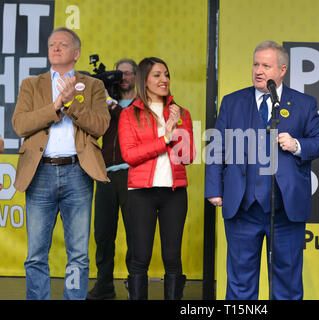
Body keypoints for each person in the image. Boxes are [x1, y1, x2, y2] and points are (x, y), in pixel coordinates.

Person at [205, 40, 319, 300]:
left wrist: (296, 144)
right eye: (255, 64)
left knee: (287, 284)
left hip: (285, 209)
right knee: (240, 284)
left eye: (266, 65)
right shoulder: (232, 102)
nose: (258, 70)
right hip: (242, 207)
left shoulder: (304, 103)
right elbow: (217, 147)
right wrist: (214, 189)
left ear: (282, 70)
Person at [11, 27, 110, 300]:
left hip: (78, 172)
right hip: (40, 172)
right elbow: (20, 125)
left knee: (78, 254)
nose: (55, 48)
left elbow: (100, 125)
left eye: (62, 44)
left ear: (76, 53)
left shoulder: (93, 86)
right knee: (35, 255)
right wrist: (55, 107)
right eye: (52, 44)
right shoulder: (31, 84)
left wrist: (70, 106)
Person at [118, 57, 195, 300]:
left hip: (174, 193)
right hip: (141, 192)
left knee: (172, 257)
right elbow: (130, 155)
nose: (164, 80)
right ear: (144, 80)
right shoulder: (130, 115)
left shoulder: (182, 113)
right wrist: (165, 138)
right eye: (157, 75)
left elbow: (188, 156)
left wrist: (175, 125)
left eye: (166, 74)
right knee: (140, 256)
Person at [87, 59, 137, 300]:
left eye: (127, 73)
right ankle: (104, 284)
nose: (123, 77)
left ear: (137, 76)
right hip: (105, 174)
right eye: (119, 74)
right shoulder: (103, 104)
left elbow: (131, 121)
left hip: (133, 174)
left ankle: (136, 283)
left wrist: (110, 101)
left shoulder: (143, 104)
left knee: (135, 233)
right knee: (103, 233)